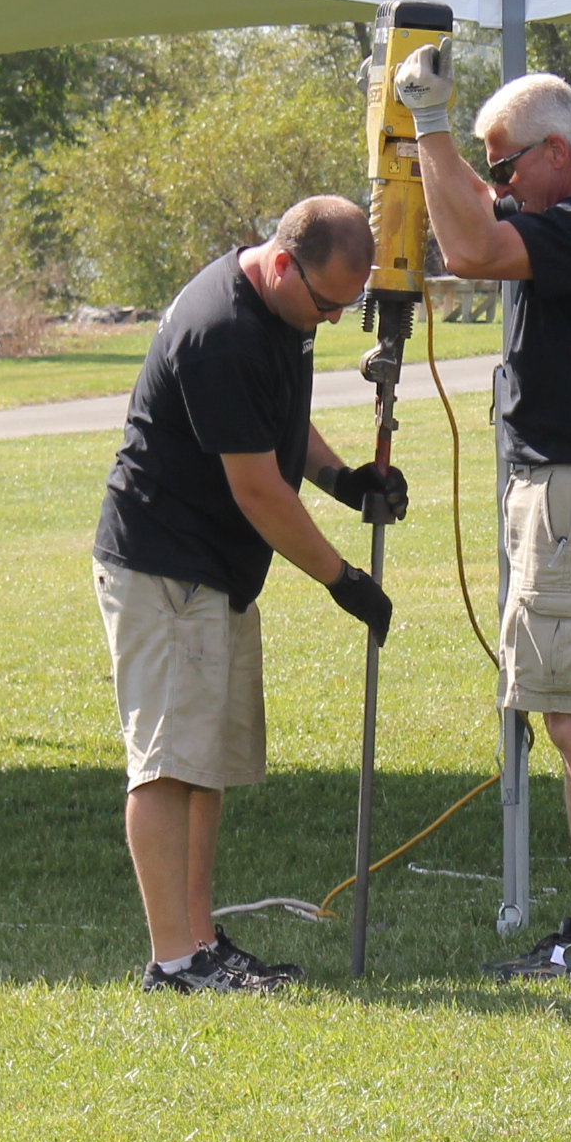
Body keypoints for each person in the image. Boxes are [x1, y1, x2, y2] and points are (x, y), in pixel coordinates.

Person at [91, 195, 408, 992]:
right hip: (164, 563)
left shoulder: (282, 313)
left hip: (215, 572)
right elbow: (258, 489)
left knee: (204, 761)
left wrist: (345, 480)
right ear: (280, 263)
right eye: (328, 303)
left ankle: (203, 944)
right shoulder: (221, 330)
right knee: (165, 764)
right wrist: (345, 581)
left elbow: (282, 427)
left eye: (346, 305)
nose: (333, 321)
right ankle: (176, 960)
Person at [395, 52, 571, 981]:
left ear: (558, 153)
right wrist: (423, 136)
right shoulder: (569, 214)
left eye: (508, 167)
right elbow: (472, 208)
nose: (499, 185)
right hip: (564, 495)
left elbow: (469, 249)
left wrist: (429, 120)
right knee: (566, 718)